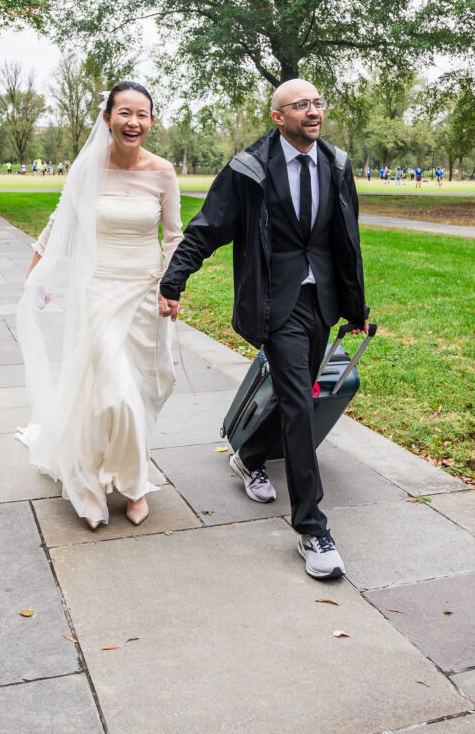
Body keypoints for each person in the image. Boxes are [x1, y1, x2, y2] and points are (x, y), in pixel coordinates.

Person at [159, 79, 369, 581]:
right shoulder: (249, 169)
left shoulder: (336, 165)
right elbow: (207, 227)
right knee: (298, 398)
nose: (313, 112)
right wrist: (174, 279)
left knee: (299, 393)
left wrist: (355, 304)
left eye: (318, 103)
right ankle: (312, 528)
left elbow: (347, 237)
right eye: (301, 105)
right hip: (275, 302)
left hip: (321, 302)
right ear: (278, 117)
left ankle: (250, 454)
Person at [17, 81, 182, 530]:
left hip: (146, 292)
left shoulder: (164, 171)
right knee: (114, 391)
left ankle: (129, 478)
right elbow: (58, 225)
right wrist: (36, 277)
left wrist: (173, 288)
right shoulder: (86, 168)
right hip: (98, 290)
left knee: (141, 388)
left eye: (142, 114)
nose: (134, 122)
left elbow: (172, 237)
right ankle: (98, 483)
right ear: (107, 117)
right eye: (124, 113)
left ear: (151, 120)